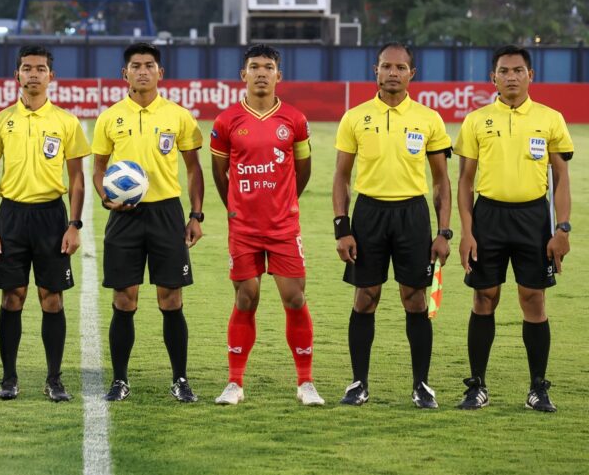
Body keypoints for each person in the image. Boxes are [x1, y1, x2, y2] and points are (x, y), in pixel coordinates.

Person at [454, 45, 573, 412]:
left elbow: (561, 177)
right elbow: (464, 182)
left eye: (518, 70)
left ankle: (538, 388)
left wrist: (562, 229)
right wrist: (467, 232)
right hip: (488, 216)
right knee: (484, 297)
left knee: (533, 299)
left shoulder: (550, 118)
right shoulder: (476, 120)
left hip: (533, 219)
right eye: (504, 71)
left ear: (530, 75)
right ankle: (478, 387)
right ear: (493, 77)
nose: (511, 77)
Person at [332, 42, 451, 409]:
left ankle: (421, 386)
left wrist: (444, 232)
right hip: (369, 215)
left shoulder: (429, 119)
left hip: (412, 215)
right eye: (387, 66)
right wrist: (342, 227)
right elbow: (341, 176)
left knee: (415, 300)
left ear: (412, 74)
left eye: (400, 67)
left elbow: (442, 182)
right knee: (366, 297)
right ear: (376, 70)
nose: (393, 73)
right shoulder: (355, 116)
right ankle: (358, 384)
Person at [210, 44, 324, 407]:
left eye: (268, 67)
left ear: (279, 75)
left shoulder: (295, 120)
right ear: (242, 75)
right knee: (247, 297)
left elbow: (303, 171)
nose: (261, 72)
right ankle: (234, 382)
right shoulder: (227, 121)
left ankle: (305, 383)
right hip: (243, 227)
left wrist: (285, 201)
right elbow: (219, 171)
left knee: (294, 297)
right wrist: (235, 207)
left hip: (283, 226)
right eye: (254, 67)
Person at [92, 42, 205, 403]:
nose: (143, 71)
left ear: (161, 73)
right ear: (124, 74)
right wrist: (105, 197)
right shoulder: (110, 117)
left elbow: (193, 168)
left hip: (166, 214)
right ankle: (120, 380)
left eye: (149, 65)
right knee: (125, 298)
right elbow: (97, 168)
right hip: (123, 217)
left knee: (170, 298)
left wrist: (196, 215)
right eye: (136, 66)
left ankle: (181, 380)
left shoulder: (178, 116)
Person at [0, 45, 90, 402]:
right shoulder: (0, 122)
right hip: (10, 216)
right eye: (27, 68)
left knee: (51, 299)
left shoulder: (66, 122)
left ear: (51, 76)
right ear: (17, 75)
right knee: (12, 297)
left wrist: (74, 224)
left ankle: (54, 379)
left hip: (51, 217)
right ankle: (9, 378)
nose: (34, 74)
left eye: (40, 69)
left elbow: (77, 179)